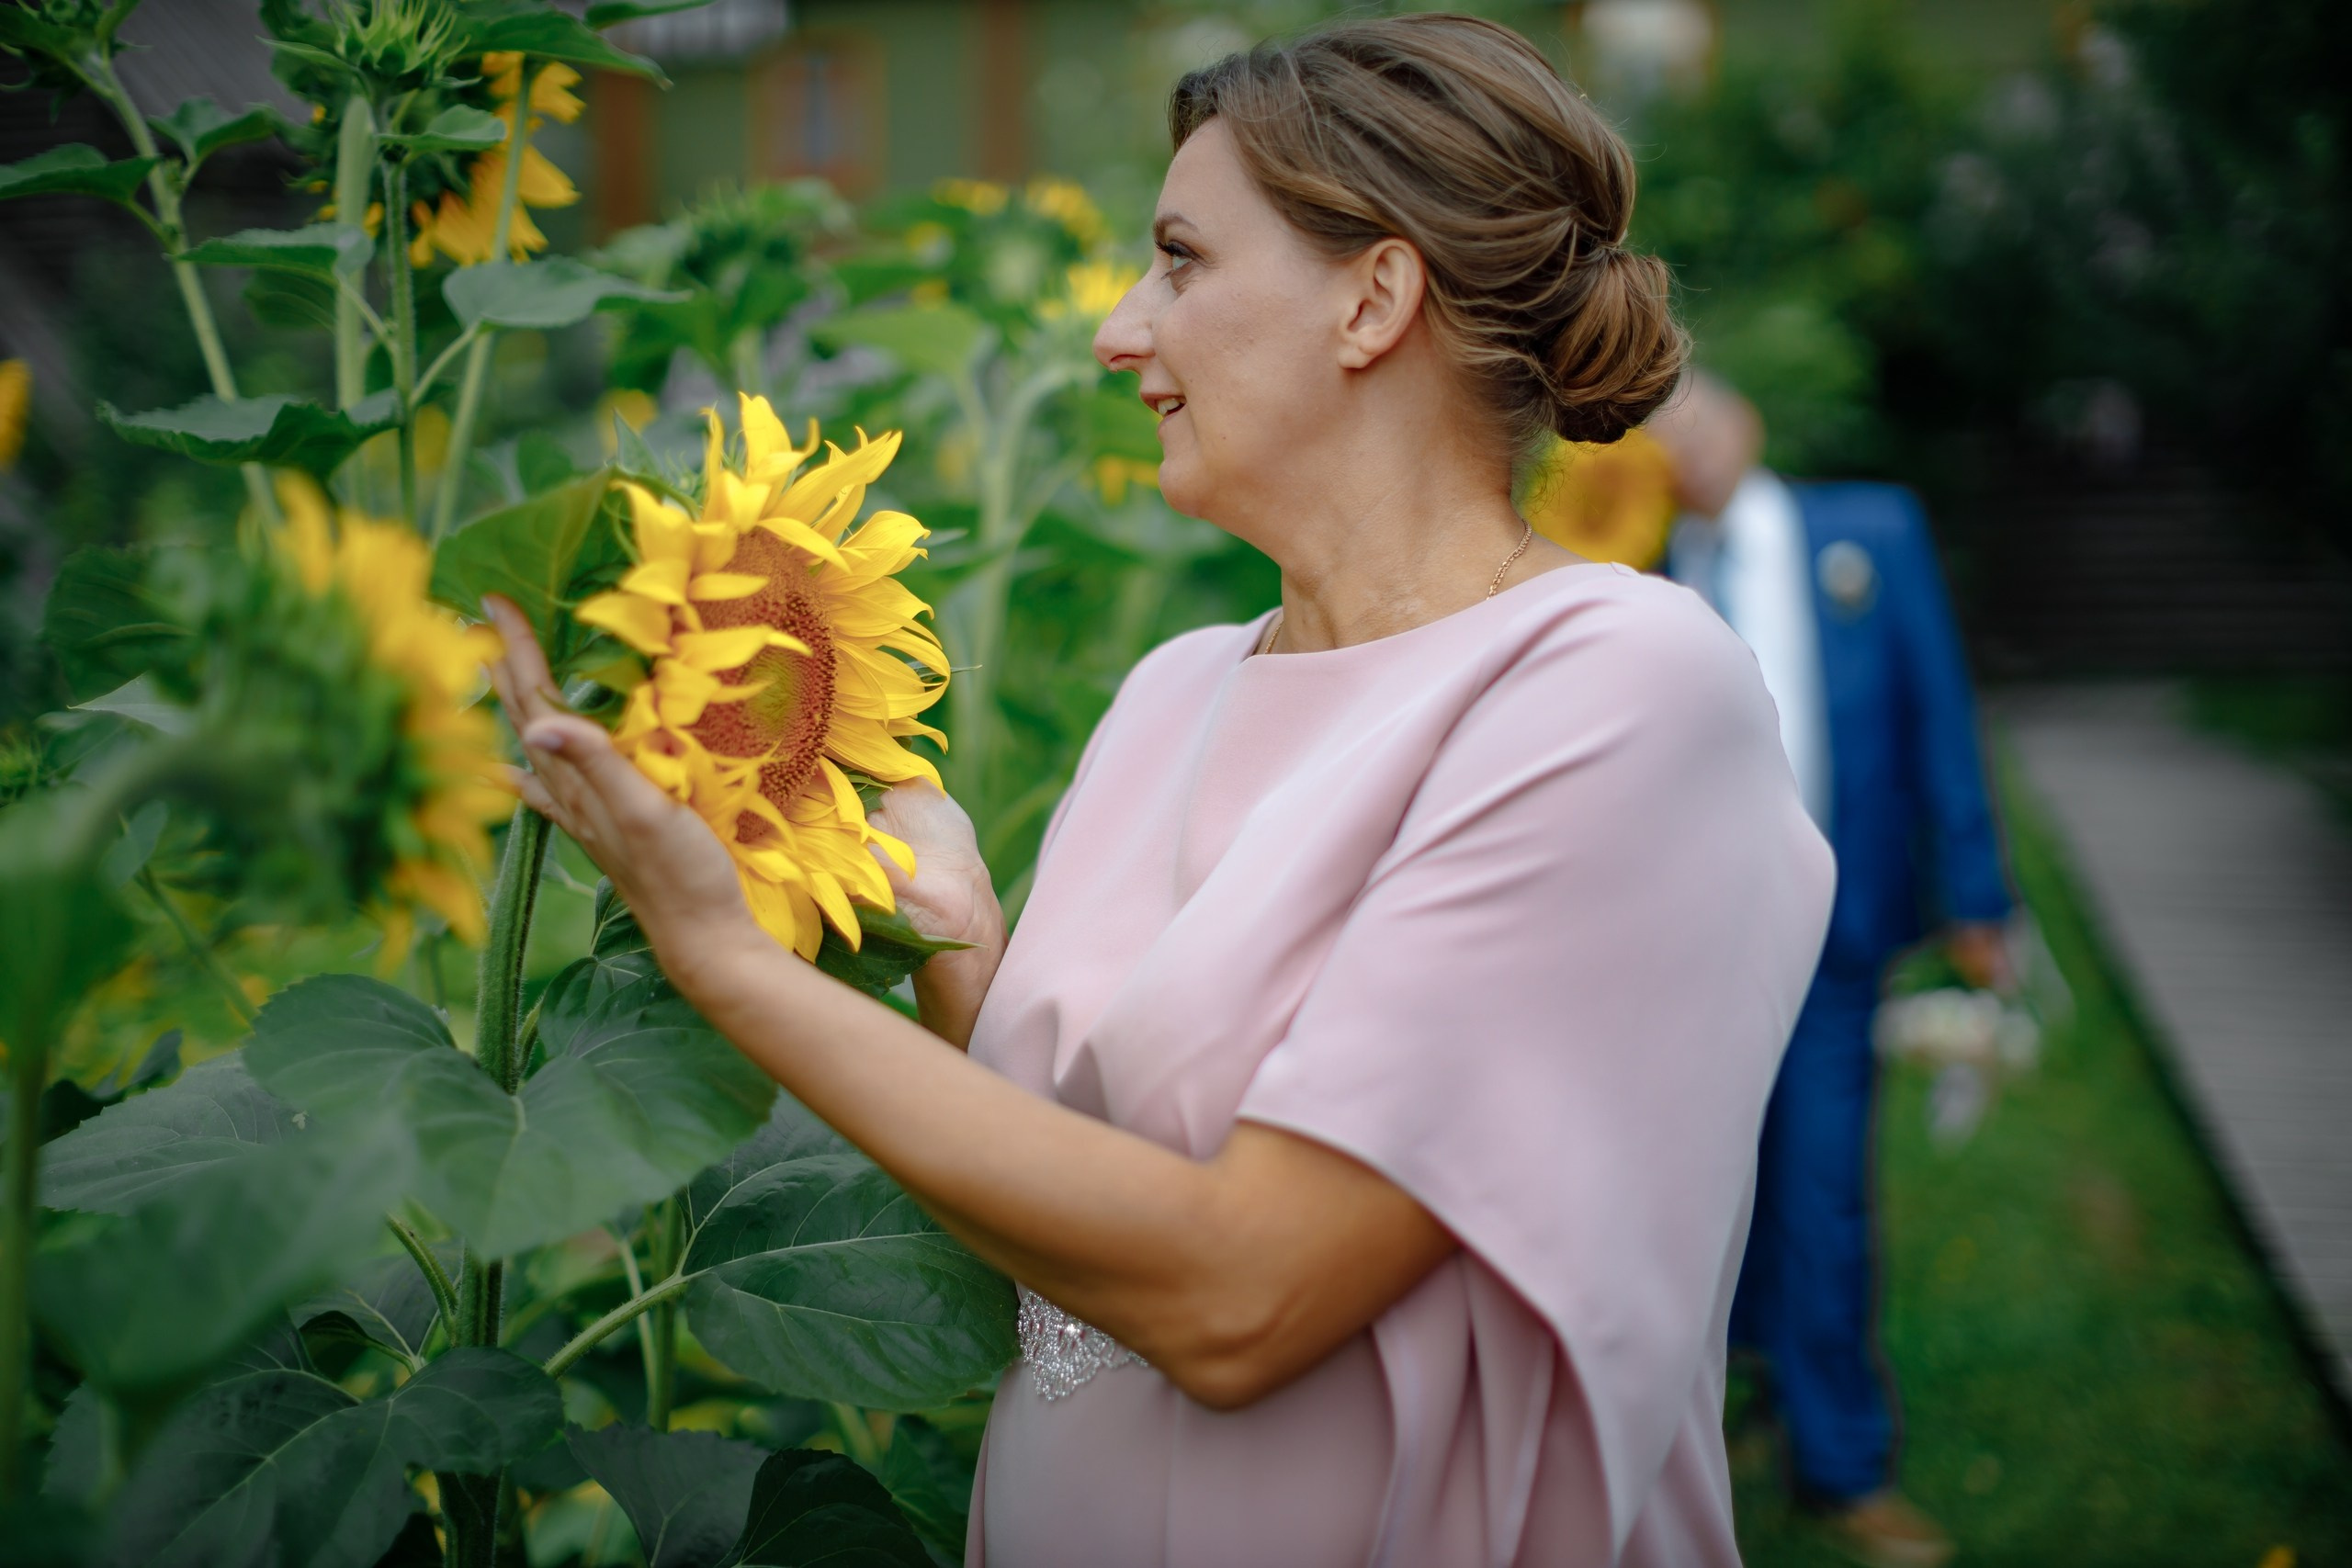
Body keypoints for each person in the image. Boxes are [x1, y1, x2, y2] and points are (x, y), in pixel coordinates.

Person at [488, 17, 1833, 1565]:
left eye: (1181, 261)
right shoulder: (1173, 691)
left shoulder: (1617, 687)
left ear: (1374, 298)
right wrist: (955, 954)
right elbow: (1075, 1249)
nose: (1123, 331)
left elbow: (1242, 1294)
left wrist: (720, 956)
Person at [1649, 374, 2014, 1568]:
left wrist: (1977, 894)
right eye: (1660, 433)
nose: (1686, 447)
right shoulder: (1648, 577)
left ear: (1749, 419)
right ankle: (1752, 1389)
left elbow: (1939, 716)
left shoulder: (1867, 535)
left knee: (1822, 1190)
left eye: (1699, 417)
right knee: (1716, 1189)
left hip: (1835, 928)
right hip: (1701, 946)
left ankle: (1846, 1461)